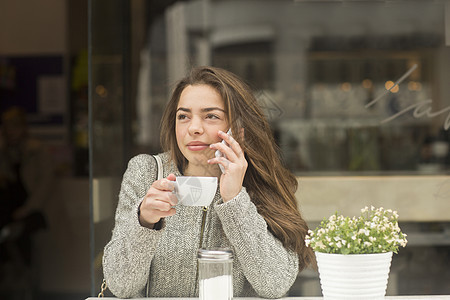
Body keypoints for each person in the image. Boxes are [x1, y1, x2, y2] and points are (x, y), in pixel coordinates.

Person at [102, 66, 315, 298]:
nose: (193, 128)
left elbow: (275, 285)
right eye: (183, 116)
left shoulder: (256, 183)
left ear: (239, 131)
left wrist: (234, 199)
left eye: (211, 116)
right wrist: (144, 221)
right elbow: (121, 286)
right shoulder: (147, 172)